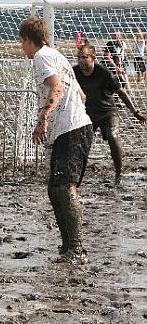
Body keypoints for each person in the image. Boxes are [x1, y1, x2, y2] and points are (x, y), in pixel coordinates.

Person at [19, 15, 93, 264]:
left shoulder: (41, 57)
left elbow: (57, 87)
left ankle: (77, 248)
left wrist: (43, 120)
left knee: (65, 187)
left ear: (28, 40)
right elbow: (81, 95)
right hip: (71, 128)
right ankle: (66, 245)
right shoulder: (57, 55)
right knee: (54, 189)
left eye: (22, 42)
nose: (22, 47)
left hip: (71, 129)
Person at [73, 44, 146, 184]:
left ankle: (119, 174)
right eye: (79, 58)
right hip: (87, 115)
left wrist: (135, 112)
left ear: (93, 58)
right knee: (82, 143)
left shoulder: (104, 74)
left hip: (108, 113)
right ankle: (78, 178)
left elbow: (121, 92)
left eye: (85, 57)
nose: (81, 60)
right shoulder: (74, 72)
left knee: (113, 136)